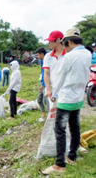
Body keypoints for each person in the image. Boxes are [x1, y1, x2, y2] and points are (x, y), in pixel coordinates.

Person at [42, 28, 91, 175]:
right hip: (78, 97)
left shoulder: (69, 57)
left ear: (68, 42)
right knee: (74, 126)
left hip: (66, 98)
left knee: (60, 130)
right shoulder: (88, 54)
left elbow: (61, 79)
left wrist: (54, 94)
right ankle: (72, 156)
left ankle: (59, 164)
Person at [37, 30, 69, 160]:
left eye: (51, 41)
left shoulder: (69, 55)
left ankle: (69, 146)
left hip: (67, 91)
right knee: (55, 117)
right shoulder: (48, 56)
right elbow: (47, 74)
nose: (49, 43)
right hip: (53, 93)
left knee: (67, 118)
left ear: (59, 40)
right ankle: (54, 145)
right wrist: (48, 89)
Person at [36, 48, 49, 122]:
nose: (37, 56)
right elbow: (42, 73)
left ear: (42, 54)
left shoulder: (47, 61)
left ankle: (50, 116)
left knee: (46, 101)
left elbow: (46, 73)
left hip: (47, 84)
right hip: (43, 83)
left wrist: (43, 84)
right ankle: (43, 116)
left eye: (38, 54)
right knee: (39, 100)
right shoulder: (41, 61)